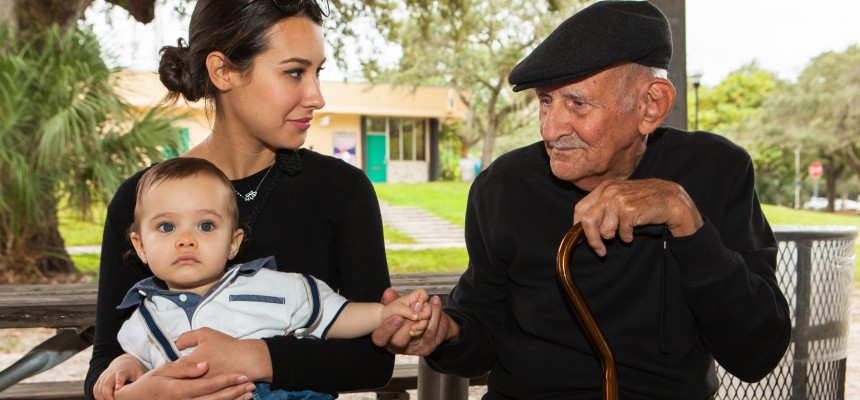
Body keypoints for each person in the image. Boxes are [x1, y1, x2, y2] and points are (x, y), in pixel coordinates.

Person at [372, 1, 792, 398]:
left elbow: (758, 353)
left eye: (577, 103)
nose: (552, 129)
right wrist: (445, 333)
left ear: (651, 105)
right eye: (546, 101)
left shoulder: (716, 171)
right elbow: (482, 333)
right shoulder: (504, 187)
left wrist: (683, 217)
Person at [85, 0, 399, 398]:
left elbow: (372, 361)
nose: (317, 96)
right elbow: (107, 362)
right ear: (223, 71)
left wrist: (254, 357)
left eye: (317, 72)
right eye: (295, 72)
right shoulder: (142, 198)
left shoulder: (342, 191)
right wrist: (139, 394)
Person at [115, 158, 429, 400]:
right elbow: (141, 363)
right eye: (167, 227)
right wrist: (125, 368)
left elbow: (335, 315)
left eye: (206, 226)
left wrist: (383, 313)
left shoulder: (271, 287)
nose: (186, 239)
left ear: (233, 243)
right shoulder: (142, 319)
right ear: (140, 246)